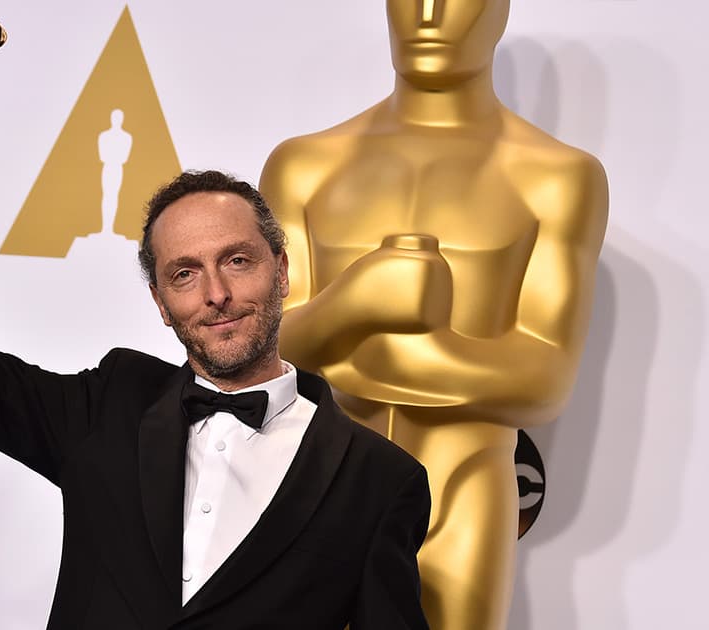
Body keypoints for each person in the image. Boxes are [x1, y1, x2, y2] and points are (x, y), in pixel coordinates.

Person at [0, 91, 431, 629]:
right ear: (160, 302)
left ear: (281, 271)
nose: (216, 295)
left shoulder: (379, 480)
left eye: (237, 261)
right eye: (185, 273)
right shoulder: (111, 404)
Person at [259, 0, 609, 628]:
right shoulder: (305, 166)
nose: (428, 13)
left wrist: (399, 350)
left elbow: (544, 381)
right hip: (316, 479)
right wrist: (358, 298)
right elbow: (261, 353)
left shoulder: (557, 178)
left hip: (465, 486)